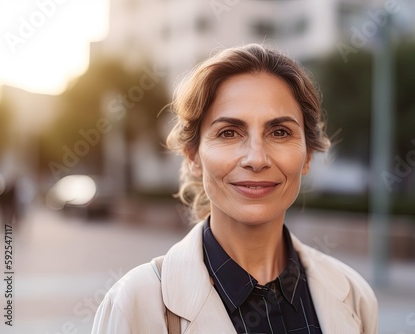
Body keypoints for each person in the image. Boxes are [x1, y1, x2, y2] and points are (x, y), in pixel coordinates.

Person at [92, 43, 378, 334]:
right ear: (193, 156)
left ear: (308, 156)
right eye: (228, 132)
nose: (256, 158)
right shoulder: (135, 304)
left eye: (280, 132)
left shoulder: (355, 297)